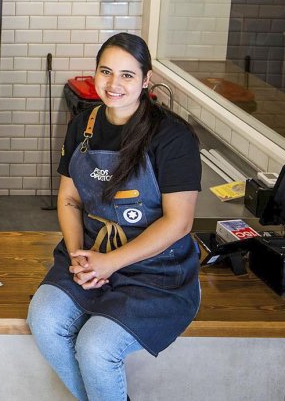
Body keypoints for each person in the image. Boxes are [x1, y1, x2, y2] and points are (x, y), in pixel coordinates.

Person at [27, 33, 201, 401]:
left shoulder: (173, 137)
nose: (113, 84)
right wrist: (78, 256)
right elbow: (70, 200)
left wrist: (110, 263)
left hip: (156, 272)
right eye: (106, 72)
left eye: (126, 75)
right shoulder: (83, 127)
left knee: (95, 347)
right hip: (89, 255)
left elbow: (179, 223)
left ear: (146, 79)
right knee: (43, 320)